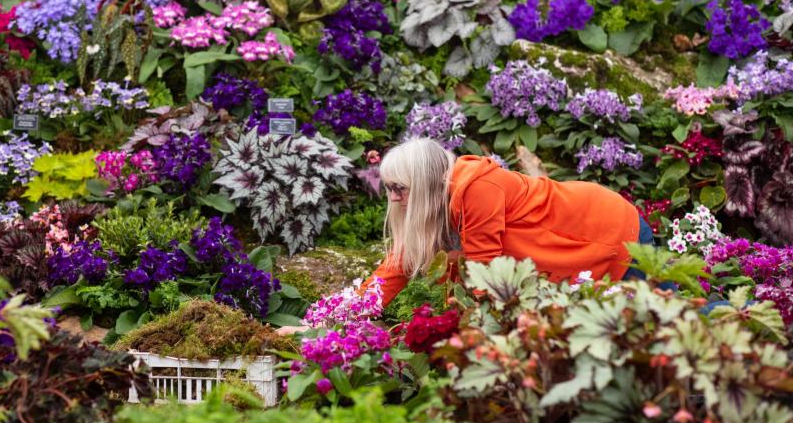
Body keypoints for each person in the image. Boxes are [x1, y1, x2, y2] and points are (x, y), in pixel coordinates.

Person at [277, 138, 652, 335]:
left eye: (399, 188)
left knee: (653, 321)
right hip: (586, 238)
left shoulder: (478, 188)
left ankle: (715, 319)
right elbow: (390, 274)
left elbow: (484, 278)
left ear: (424, 184)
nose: (392, 198)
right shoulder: (435, 206)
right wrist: (321, 327)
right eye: (388, 187)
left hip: (608, 231)